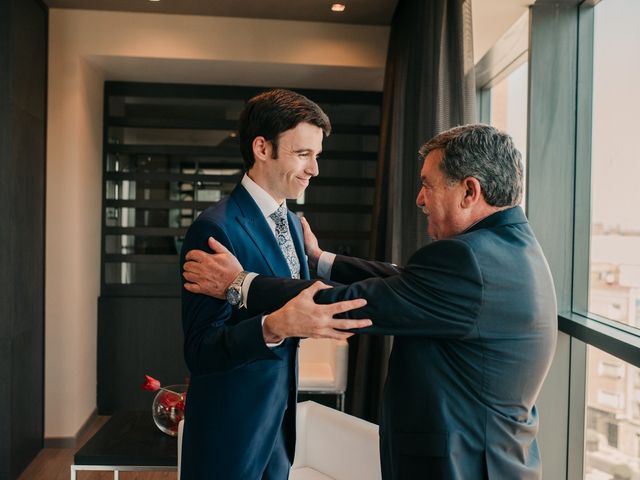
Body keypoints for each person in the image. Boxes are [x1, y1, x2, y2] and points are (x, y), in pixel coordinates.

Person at [183, 124, 558, 480]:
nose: (419, 198)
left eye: (428, 185)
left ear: (469, 191)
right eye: (303, 153)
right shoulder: (508, 248)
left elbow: (350, 302)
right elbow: (405, 279)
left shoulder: (470, 261)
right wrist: (322, 260)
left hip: (464, 466)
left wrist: (239, 284)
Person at [179, 88, 372, 480]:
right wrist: (272, 327)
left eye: (317, 155)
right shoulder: (215, 228)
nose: (314, 169)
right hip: (230, 432)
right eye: (303, 154)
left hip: (279, 426)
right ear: (262, 148)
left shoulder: (293, 224)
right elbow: (200, 351)